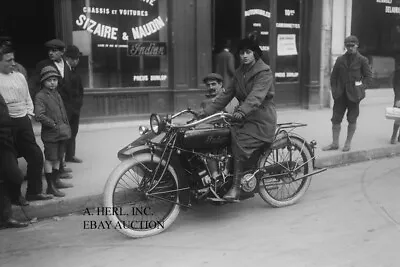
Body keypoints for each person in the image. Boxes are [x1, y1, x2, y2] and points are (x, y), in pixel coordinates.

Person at [200, 38, 277, 202]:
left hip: (261, 118)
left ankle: (236, 187)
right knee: (221, 136)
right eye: (242, 53)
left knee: (238, 141)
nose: (244, 56)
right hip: (243, 116)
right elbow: (226, 95)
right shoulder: (239, 72)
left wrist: (242, 111)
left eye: (248, 52)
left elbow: (256, 96)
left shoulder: (264, 72)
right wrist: (205, 113)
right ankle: (222, 174)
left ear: (255, 53)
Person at [0, 45, 53, 202]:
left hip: (23, 120)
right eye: (9, 60)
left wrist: (29, 114)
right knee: (10, 161)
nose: (13, 63)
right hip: (5, 123)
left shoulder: (19, 76)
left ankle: (34, 191)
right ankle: (15, 197)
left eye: (14, 59)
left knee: (36, 155)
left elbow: (27, 97)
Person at [30, 39, 73, 177]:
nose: (51, 53)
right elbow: (35, 83)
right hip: (48, 105)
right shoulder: (43, 65)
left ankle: (60, 170)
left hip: (62, 106)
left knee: (61, 146)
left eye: (54, 50)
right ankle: (53, 179)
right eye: (49, 50)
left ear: (62, 52)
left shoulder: (67, 65)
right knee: (51, 152)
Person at [322, 35, 372, 152]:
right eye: (348, 46)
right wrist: (334, 90)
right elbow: (333, 77)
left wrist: (361, 88)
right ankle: (335, 143)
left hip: (354, 96)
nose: (350, 48)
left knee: (352, 119)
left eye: (352, 46)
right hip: (340, 95)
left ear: (357, 45)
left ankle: (348, 143)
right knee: (336, 119)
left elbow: (368, 77)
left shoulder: (362, 60)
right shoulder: (340, 60)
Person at [35, 66, 73, 197]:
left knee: (58, 158)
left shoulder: (57, 94)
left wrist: (65, 127)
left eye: (55, 80)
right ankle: (50, 187)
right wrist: (53, 124)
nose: (52, 83)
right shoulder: (40, 96)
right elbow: (39, 115)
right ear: (43, 82)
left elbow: (63, 113)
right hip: (51, 134)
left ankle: (56, 181)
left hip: (61, 133)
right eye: (49, 80)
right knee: (50, 159)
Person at [0, 93, 29, 229]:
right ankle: (6, 218)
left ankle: (6, 217)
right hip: (3, 143)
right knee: (11, 176)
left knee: (12, 177)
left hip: (4, 142)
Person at [62, 45, 84, 163]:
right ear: (69, 58)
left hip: (75, 107)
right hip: (66, 107)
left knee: (73, 131)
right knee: (64, 133)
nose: (77, 61)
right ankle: (61, 160)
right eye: (75, 59)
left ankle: (70, 155)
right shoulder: (63, 69)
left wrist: (79, 103)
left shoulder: (74, 70)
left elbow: (80, 89)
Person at [390, 60, 400, 144]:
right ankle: (393, 136)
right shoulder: (398, 73)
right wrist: (397, 99)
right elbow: (396, 86)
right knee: (398, 118)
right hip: (399, 98)